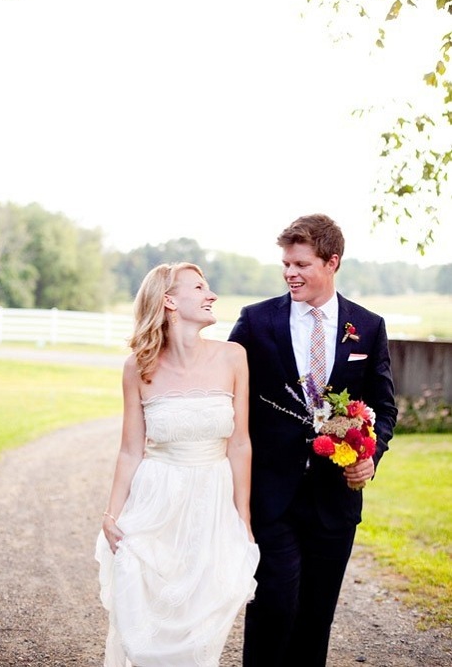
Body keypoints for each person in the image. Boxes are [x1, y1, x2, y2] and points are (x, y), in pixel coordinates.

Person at [228, 214, 397, 667]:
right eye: (286, 264)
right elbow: (223, 386)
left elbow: (384, 406)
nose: (290, 273)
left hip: (335, 500)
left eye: (301, 264)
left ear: (332, 262)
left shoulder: (368, 326)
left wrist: (372, 456)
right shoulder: (257, 321)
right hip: (271, 496)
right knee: (273, 608)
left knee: (315, 619)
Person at [95, 262, 259, 667]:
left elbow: (239, 444)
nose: (211, 295)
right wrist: (111, 513)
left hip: (212, 502)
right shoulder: (138, 367)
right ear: (169, 301)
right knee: (143, 622)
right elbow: (130, 450)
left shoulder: (233, 357)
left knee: (202, 622)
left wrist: (244, 518)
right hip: (157, 502)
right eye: (200, 287)